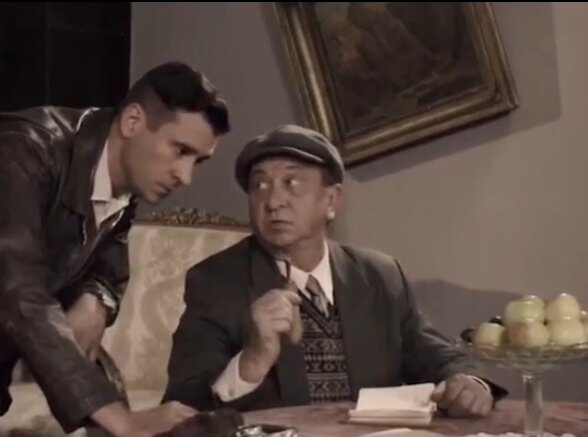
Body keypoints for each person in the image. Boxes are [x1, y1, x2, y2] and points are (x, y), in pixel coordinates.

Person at [163, 124, 507, 416]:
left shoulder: (379, 275)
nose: (274, 201)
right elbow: (182, 406)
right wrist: (251, 361)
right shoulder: (216, 281)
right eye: (260, 185)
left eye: (292, 184)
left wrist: (470, 382)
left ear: (331, 201)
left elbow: (432, 353)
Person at [0, 61, 230, 436]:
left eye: (198, 161)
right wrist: (119, 419)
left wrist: (96, 299)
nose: (185, 176)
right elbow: (16, 290)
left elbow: (107, 261)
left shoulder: (122, 184)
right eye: (179, 150)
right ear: (132, 121)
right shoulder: (23, 150)